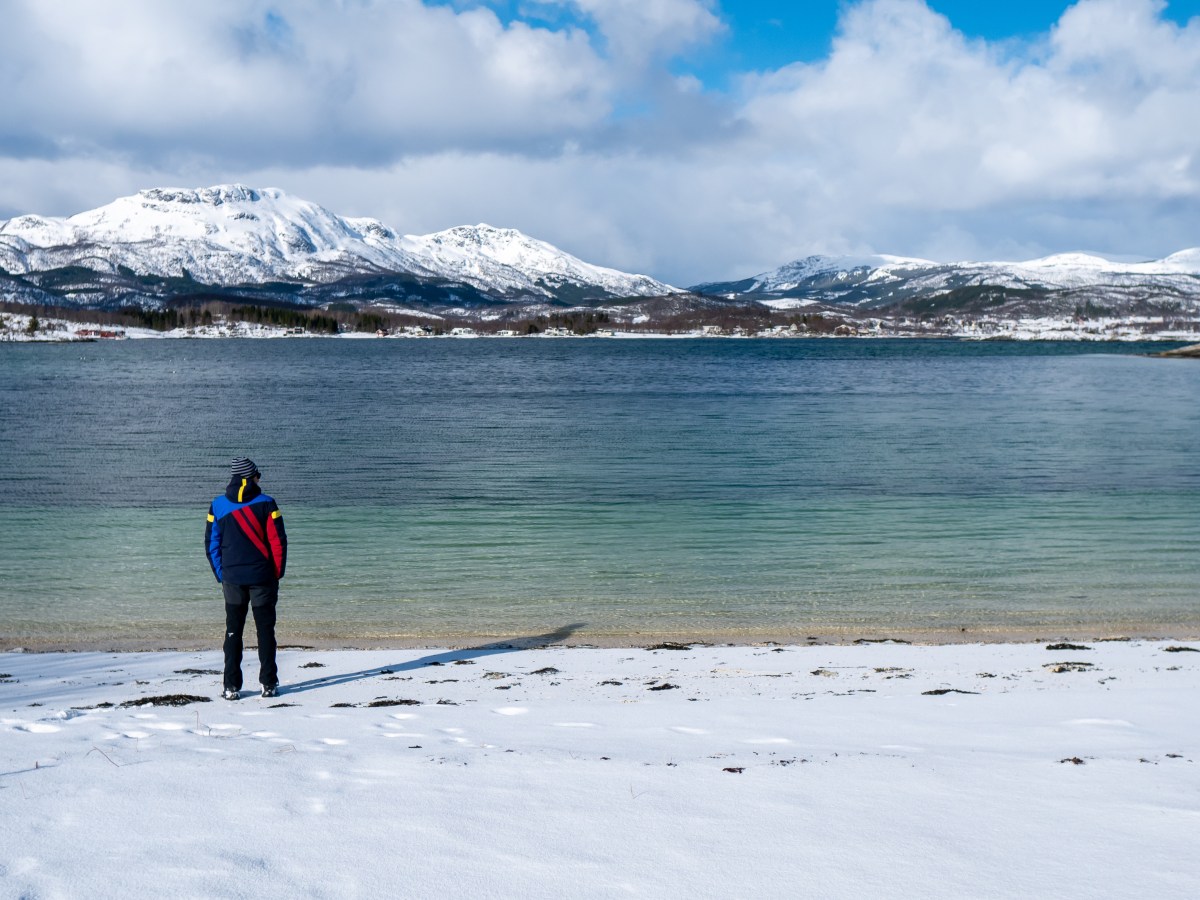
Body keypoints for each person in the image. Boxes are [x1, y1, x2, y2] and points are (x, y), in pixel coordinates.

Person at [205, 457, 287, 700]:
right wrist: (277, 573)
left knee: (233, 632)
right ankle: (268, 684)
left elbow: (212, 544)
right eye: (257, 474)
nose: (260, 478)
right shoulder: (268, 504)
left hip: (232, 579)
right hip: (263, 579)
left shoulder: (217, 505)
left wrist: (221, 574)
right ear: (251, 477)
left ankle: (231, 687)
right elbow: (278, 542)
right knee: (266, 633)